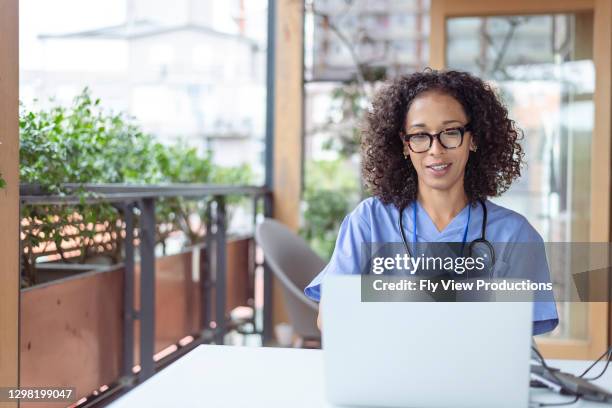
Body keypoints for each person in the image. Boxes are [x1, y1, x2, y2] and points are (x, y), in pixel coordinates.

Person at [304, 69, 558, 335]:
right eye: (420, 135)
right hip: (385, 373)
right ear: (404, 144)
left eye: (451, 132)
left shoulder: (514, 235)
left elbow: (512, 339)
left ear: (473, 139)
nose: (436, 149)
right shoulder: (368, 222)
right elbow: (332, 316)